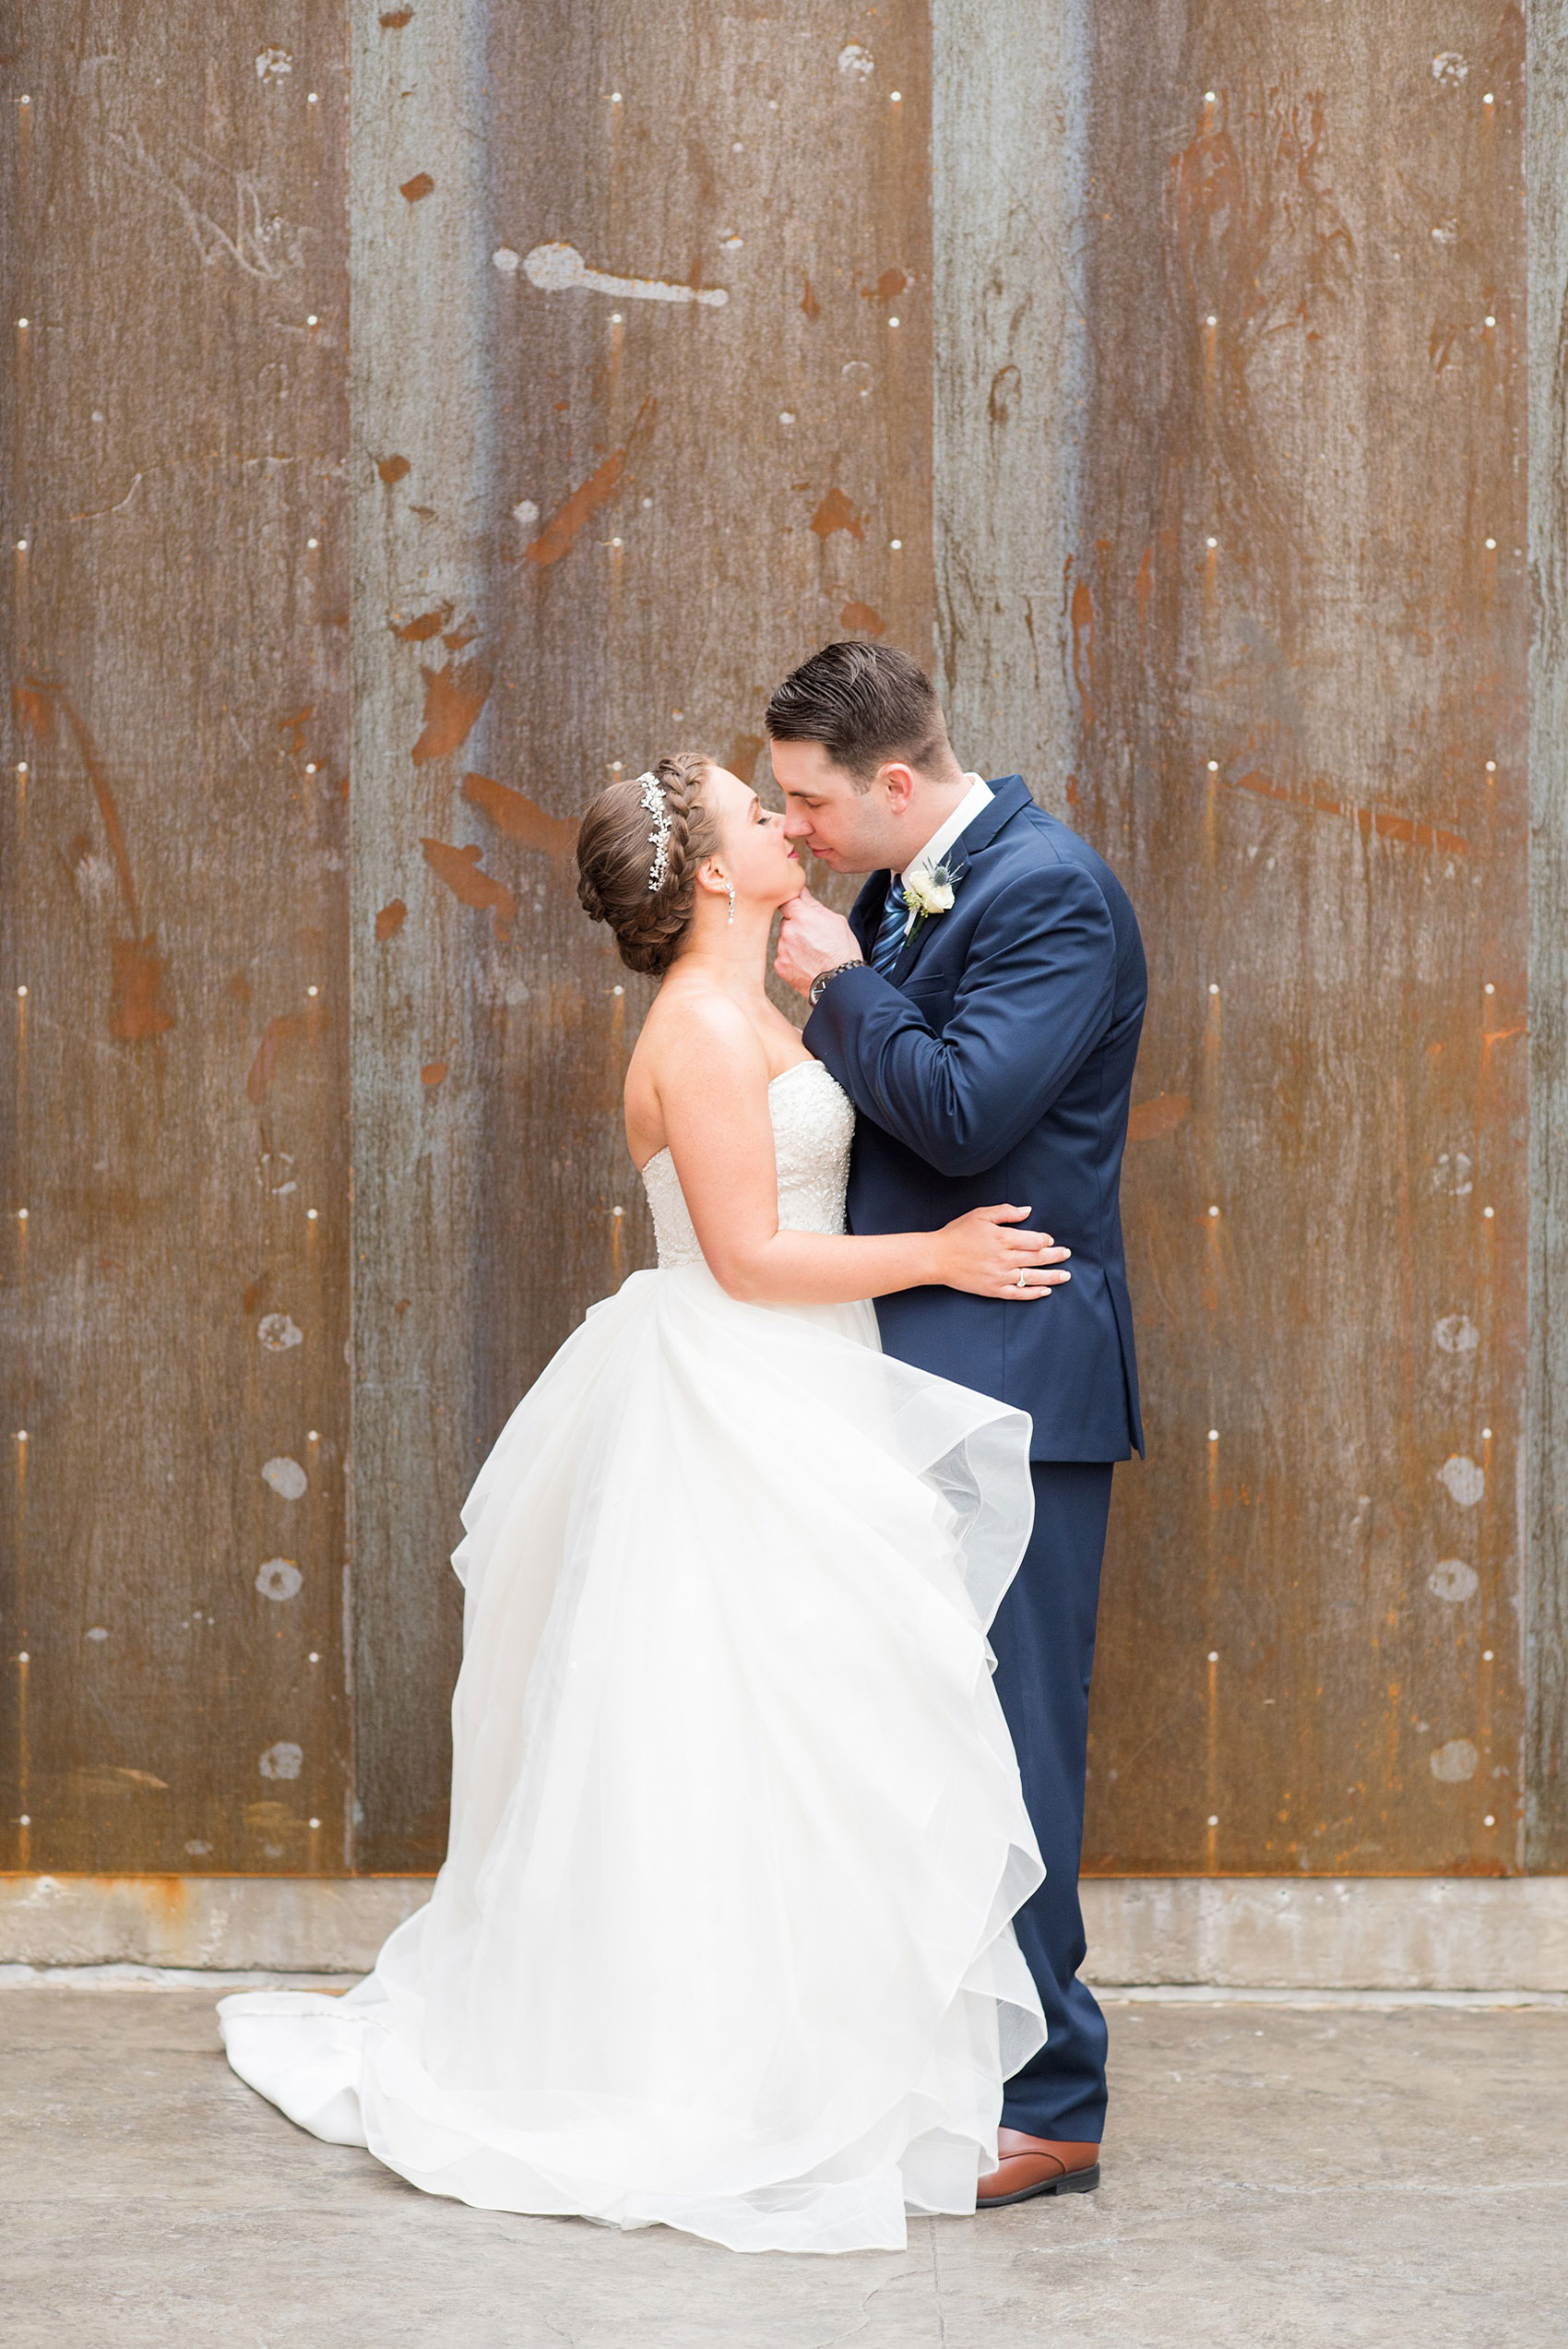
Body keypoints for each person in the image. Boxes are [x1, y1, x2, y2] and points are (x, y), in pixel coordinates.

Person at [219, 749, 1079, 2255]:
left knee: (825, 1735)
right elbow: (746, 1254)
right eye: (764, 816)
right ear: (711, 874)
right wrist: (940, 1255)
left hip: (809, 1391)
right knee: (726, 1735)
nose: (788, 823)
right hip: (742, 1388)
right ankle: (708, 2072)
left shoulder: (766, 1001)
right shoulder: (693, 1026)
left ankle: (831, 2051)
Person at [769, 641, 1146, 2205]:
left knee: (1015, 1746)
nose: (794, 830)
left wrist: (839, 983)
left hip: (1015, 1386)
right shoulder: (900, 883)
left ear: (899, 786)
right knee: (918, 1740)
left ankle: (1052, 2099)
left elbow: (961, 1112)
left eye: (811, 800)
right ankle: (938, 2057)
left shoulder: (1048, 891)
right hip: (898, 1367)